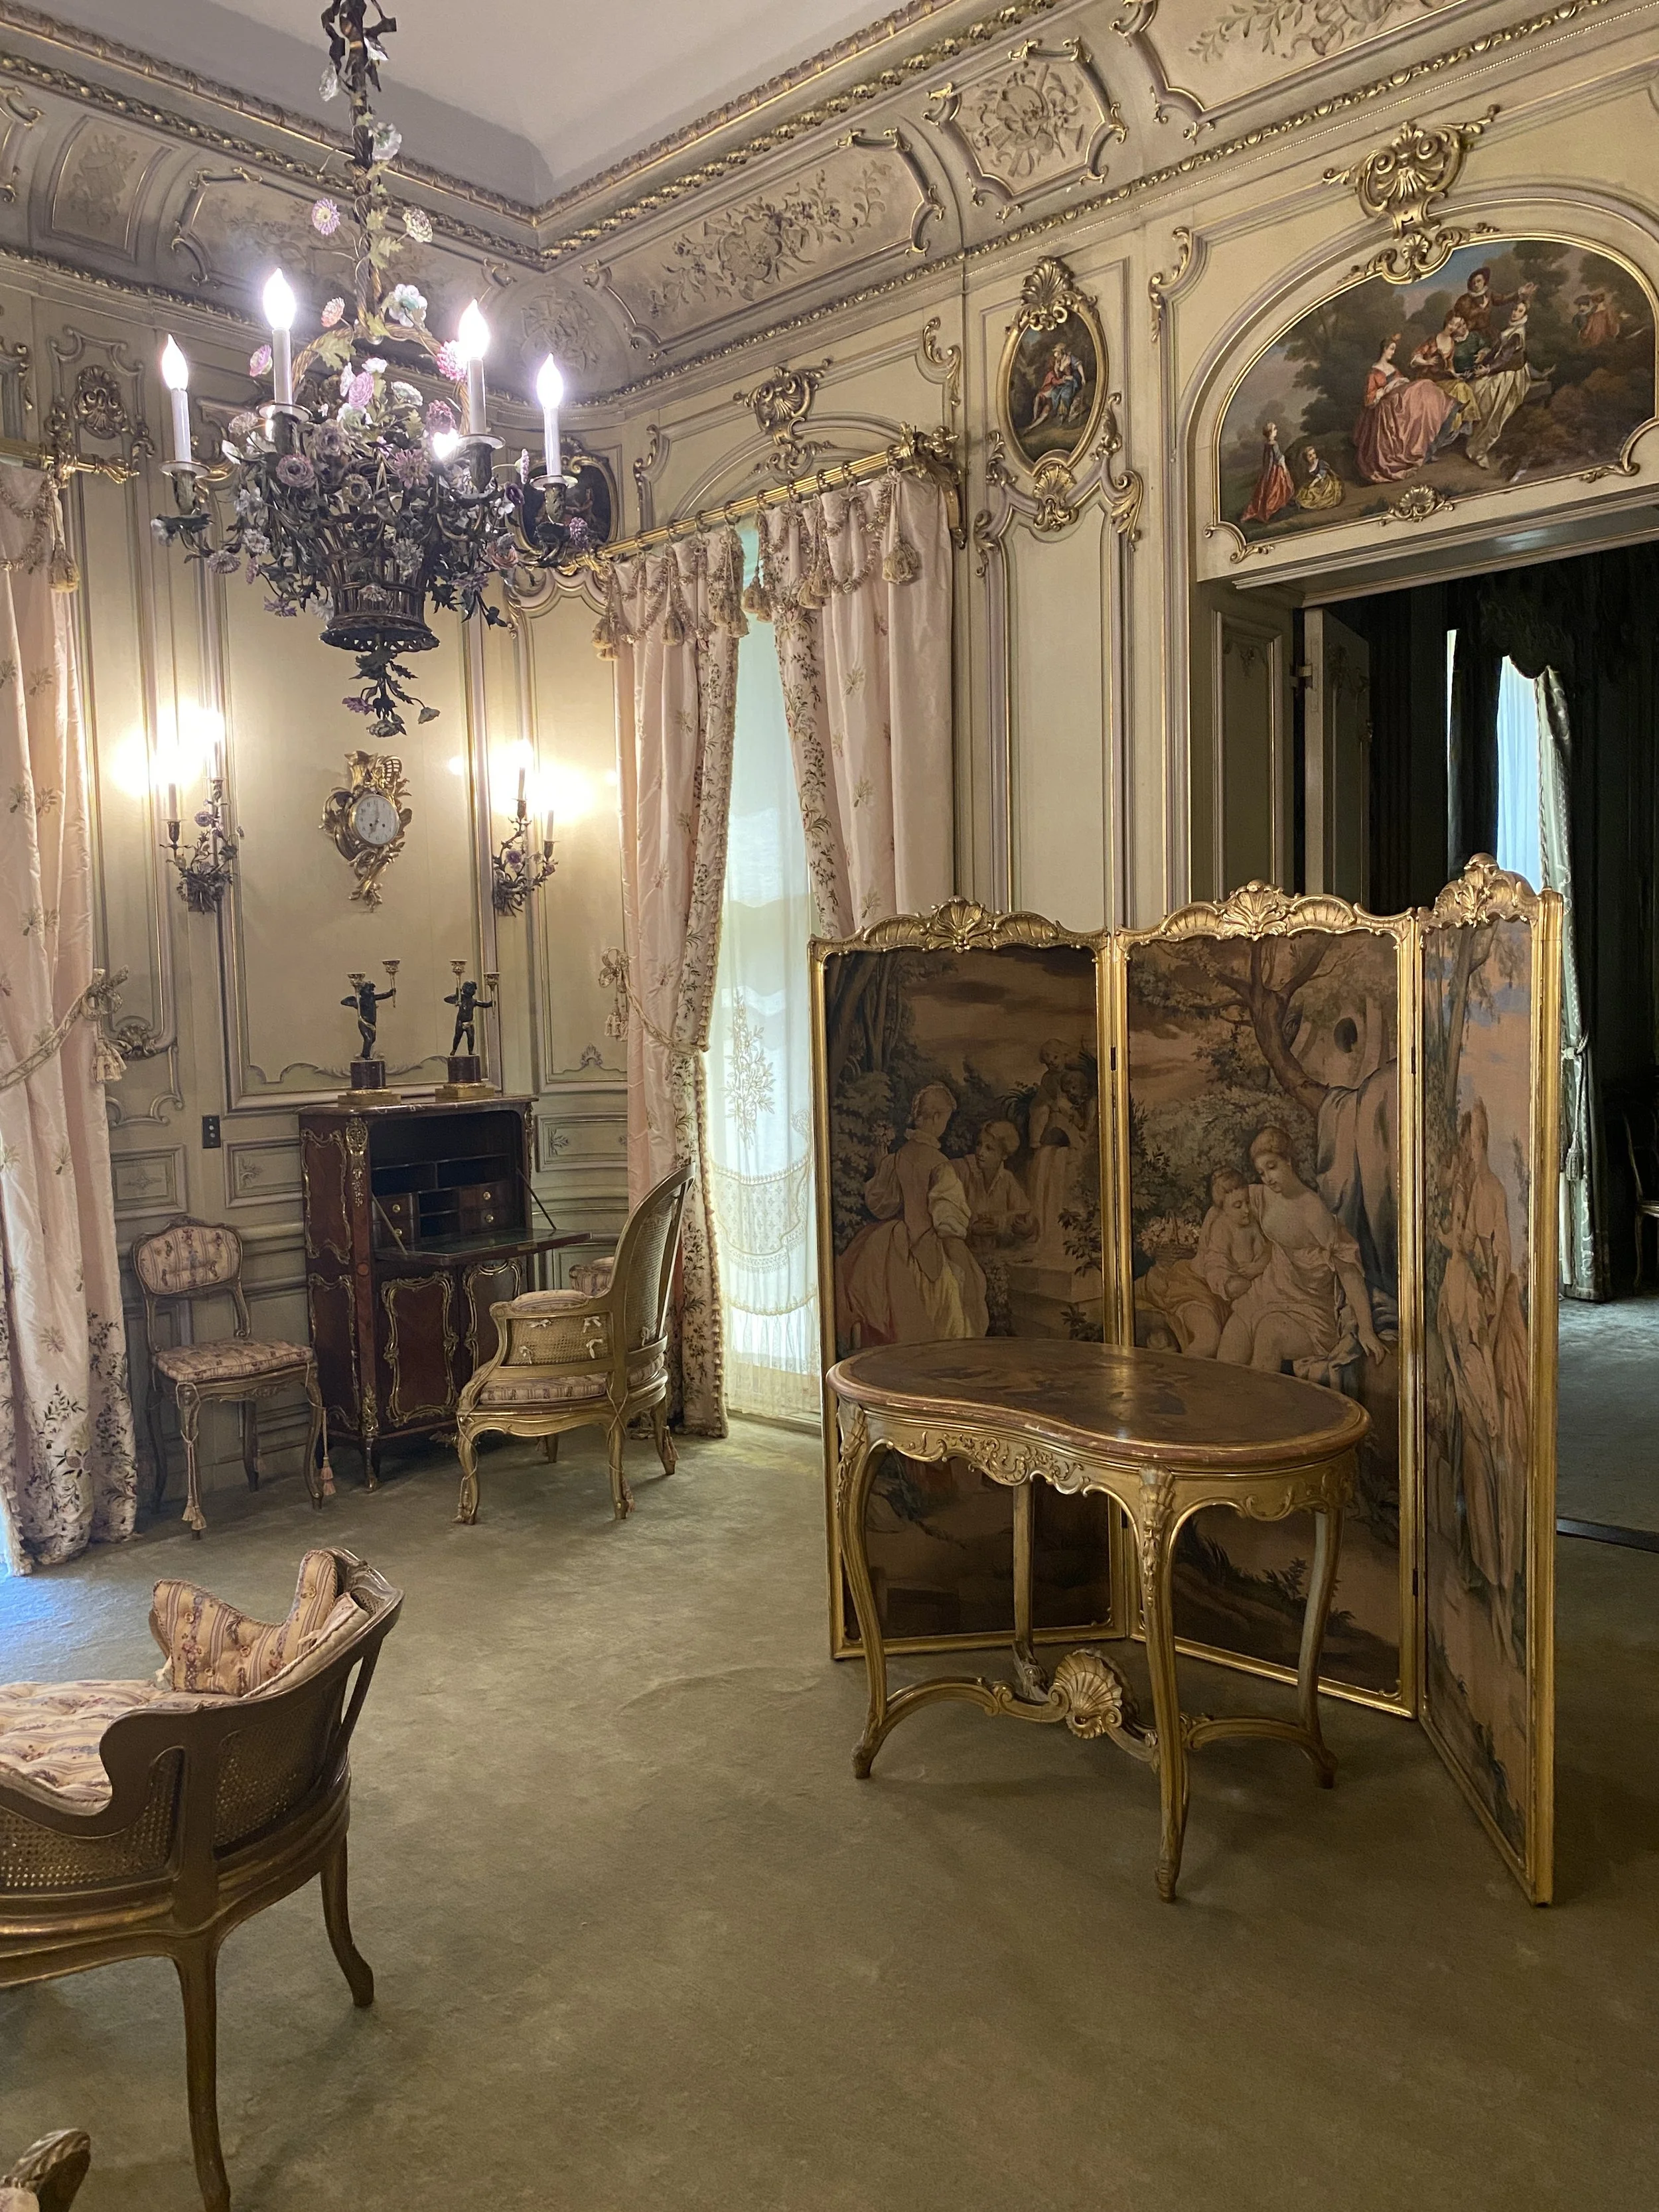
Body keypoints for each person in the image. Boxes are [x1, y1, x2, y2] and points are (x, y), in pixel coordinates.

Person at [1217, 1125, 1387, 1380]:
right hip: (1267, 1293)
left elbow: (1347, 1268)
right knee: (1231, 1344)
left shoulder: (1312, 1211)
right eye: (1261, 1173)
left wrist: (1366, 1329)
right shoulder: (1261, 1196)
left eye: (1272, 1167)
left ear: (1288, 1160)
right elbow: (1222, 1207)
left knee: (1269, 1335)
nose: (1268, 1178)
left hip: (1308, 1309)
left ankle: (1256, 1407)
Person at [837, 1082, 988, 1345]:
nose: (945, 1127)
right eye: (945, 1120)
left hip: (893, 1243)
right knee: (950, 1310)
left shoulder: (896, 1159)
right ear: (935, 1118)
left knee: (890, 1307)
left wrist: (880, 1167)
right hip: (927, 1249)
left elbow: (880, 1204)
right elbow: (948, 1220)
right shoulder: (940, 1164)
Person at [1352, 332, 1457, 484]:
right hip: (1385, 407)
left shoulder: (1393, 368)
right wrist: (1387, 388)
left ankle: (1447, 405)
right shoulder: (1374, 373)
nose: (1393, 353)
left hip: (1398, 401)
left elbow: (1403, 382)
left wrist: (1400, 382)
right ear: (1384, 349)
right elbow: (1369, 400)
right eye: (1391, 349)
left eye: (1394, 350)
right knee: (1422, 386)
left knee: (1425, 386)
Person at [1466, 300, 1536, 469]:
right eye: (1515, 309)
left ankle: (1479, 450)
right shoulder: (1510, 328)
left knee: (1492, 404)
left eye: (1520, 311)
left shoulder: (1517, 334)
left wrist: (1488, 369)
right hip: (1501, 367)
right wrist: (1484, 362)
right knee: (1474, 388)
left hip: (1511, 374)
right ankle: (1471, 436)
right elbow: (1497, 350)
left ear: (1525, 315)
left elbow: (1505, 358)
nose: (1515, 313)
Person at [958, 1120, 1036, 1250]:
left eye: (989, 1148)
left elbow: (1026, 1213)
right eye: (979, 1144)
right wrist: (971, 1228)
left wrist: (1026, 1229)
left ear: (1004, 1155)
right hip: (966, 1252)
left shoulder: (1007, 1179)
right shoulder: (964, 1171)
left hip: (998, 1252)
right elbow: (948, 1215)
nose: (980, 1152)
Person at [1242, 420, 1295, 524]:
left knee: (1267, 488)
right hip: (1276, 470)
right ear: (1270, 433)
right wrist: (1284, 468)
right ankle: (1272, 508)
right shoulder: (1274, 444)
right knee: (1277, 488)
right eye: (1275, 429)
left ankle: (1269, 507)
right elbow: (1279, 458)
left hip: (1269, 470)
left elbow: (1266, 459)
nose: (1277, 431)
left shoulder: (1267, 444)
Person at [1027, 340, 1087, 432]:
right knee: (1055, 393)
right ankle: (1060, 413)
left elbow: (1079, 365)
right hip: (1063, 382)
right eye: (1056, 355)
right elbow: (1056, 375)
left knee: (1065, 395)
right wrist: (1060, 375)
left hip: (1072, 380)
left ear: (1062, 352)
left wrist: (1083, 377)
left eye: (1058, 354)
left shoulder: (1069, 358)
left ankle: (1065, 414)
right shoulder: (1058, 361)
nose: (1057, 357)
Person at [342, 972, 394, 1060]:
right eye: (369, 990)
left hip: (372, 1022)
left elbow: (382, 996)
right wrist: (355, 1003)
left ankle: (364, 1053)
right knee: (368, 1039)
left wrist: (390, 993)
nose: (371, 991)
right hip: (364, 1022)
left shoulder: (372, 998)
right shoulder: (360, 1000)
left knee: (372, 1039)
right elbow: (344, 1002)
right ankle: (366, 1056)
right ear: (364, 991)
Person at [445, 975, 494, 1057]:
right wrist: (456, 995)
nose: (469, 990)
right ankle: (454, 1050)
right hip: (460, 1022)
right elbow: (447, 999)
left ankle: (470, 1051)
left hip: (469, 1022)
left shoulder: (473, 1001)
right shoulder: (461, 998)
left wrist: (490, 1004)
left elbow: (483, 1005)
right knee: (457, 1037)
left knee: (471, 1038)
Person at [1293, 441, 1344, 511]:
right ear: (1306, 458)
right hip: (1315, 481)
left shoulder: (1320, 463)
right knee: (1305, 491)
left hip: (1324, 481)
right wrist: (1312, 482)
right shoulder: (1309, 467)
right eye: (1310, 456)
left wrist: (1314, 483)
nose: (1313, 457)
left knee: (1316, 492)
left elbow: (1322, 473)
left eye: (1314, 454)